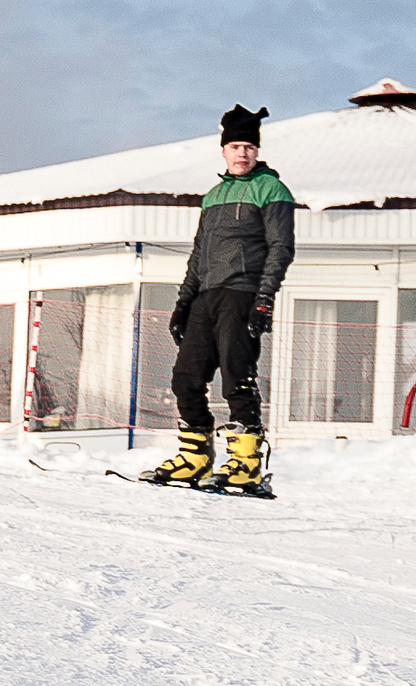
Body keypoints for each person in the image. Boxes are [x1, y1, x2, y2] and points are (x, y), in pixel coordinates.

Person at [145, 104, 294, 494]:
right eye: (235, 146)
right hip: (205, 298)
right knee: (186, 379)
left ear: (257, 152)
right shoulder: (213, 196)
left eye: (248, 146)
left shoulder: (271, 190)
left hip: (242, 294)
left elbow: (281, 248)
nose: (242, 153)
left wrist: (263, 300)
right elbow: (199, 254)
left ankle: (245, 464)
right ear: (223, 151)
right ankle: (195, 456)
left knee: (236, 376)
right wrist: (183, 302)